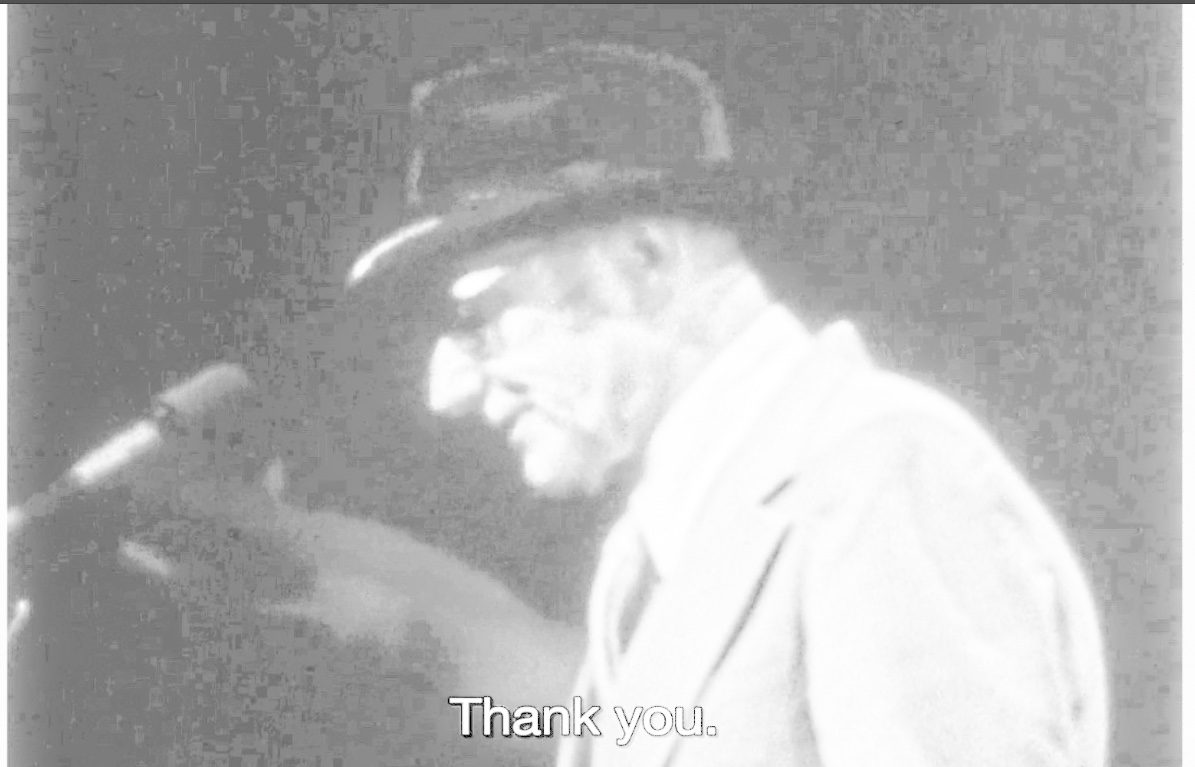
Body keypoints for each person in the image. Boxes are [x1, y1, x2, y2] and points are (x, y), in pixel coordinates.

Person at [156, 43, 1108, 766]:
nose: (448, 393)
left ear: (644, 261)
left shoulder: (880, 473)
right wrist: (399, 646)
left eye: (483, 318)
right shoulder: (647, 555)